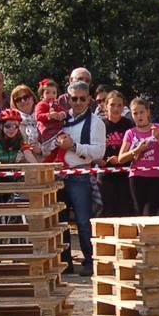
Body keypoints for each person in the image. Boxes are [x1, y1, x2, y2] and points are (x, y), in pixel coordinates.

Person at [52, 81, 106, 275]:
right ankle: (64, 263)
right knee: (60, 222)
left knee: (84, 221)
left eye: (82, 98)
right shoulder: (60, 119)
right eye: (74, 98)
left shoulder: (96, 122)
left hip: (80, 174)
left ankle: (91, 261)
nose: (78, 102)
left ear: (89, 99)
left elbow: (99, 151)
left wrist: (74, 146)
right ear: (68, 98)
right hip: (59, 175)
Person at [117, 97, 159, 216]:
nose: (139, 116)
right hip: (137, 176)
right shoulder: (130, 132)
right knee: (139, 211)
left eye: (141, 112)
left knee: (151, 211)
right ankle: (140, 234)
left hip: (156, 176)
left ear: (148, 112)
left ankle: (149, 234)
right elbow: (121, 158)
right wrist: (137, 150)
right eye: (135, 113)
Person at [97, 90, 134, 217]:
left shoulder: (128, 124)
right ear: (105, 106)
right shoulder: (100, 124)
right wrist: (99, 159)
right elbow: (92, 147)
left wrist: (121, 159)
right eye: (112, 105)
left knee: (124, 208)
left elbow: (134, 147)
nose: (116, 108)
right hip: (105, 173)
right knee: (107, 208)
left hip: (125, 172)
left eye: (119, 105)